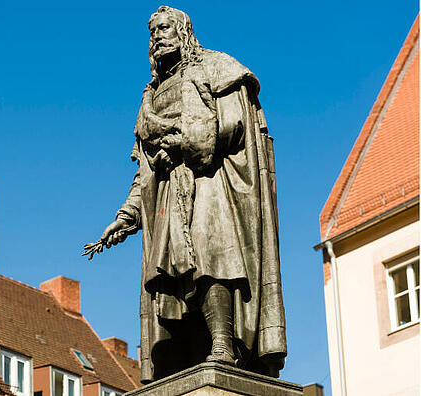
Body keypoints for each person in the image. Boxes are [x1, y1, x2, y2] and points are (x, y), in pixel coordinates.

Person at [98, 6, 287, 383]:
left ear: (184, 30)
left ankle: (223, 344)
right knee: (175, 277)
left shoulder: (216, 68)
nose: (157, 36)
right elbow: (145, 169)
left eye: (165, 28)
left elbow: (233, 125)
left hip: (211, 181)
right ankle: (193, 351)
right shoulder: (150, 95)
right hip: (168, 194)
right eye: (152, 31)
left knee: (210, 253)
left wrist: (182, 144)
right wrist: (127, 216)